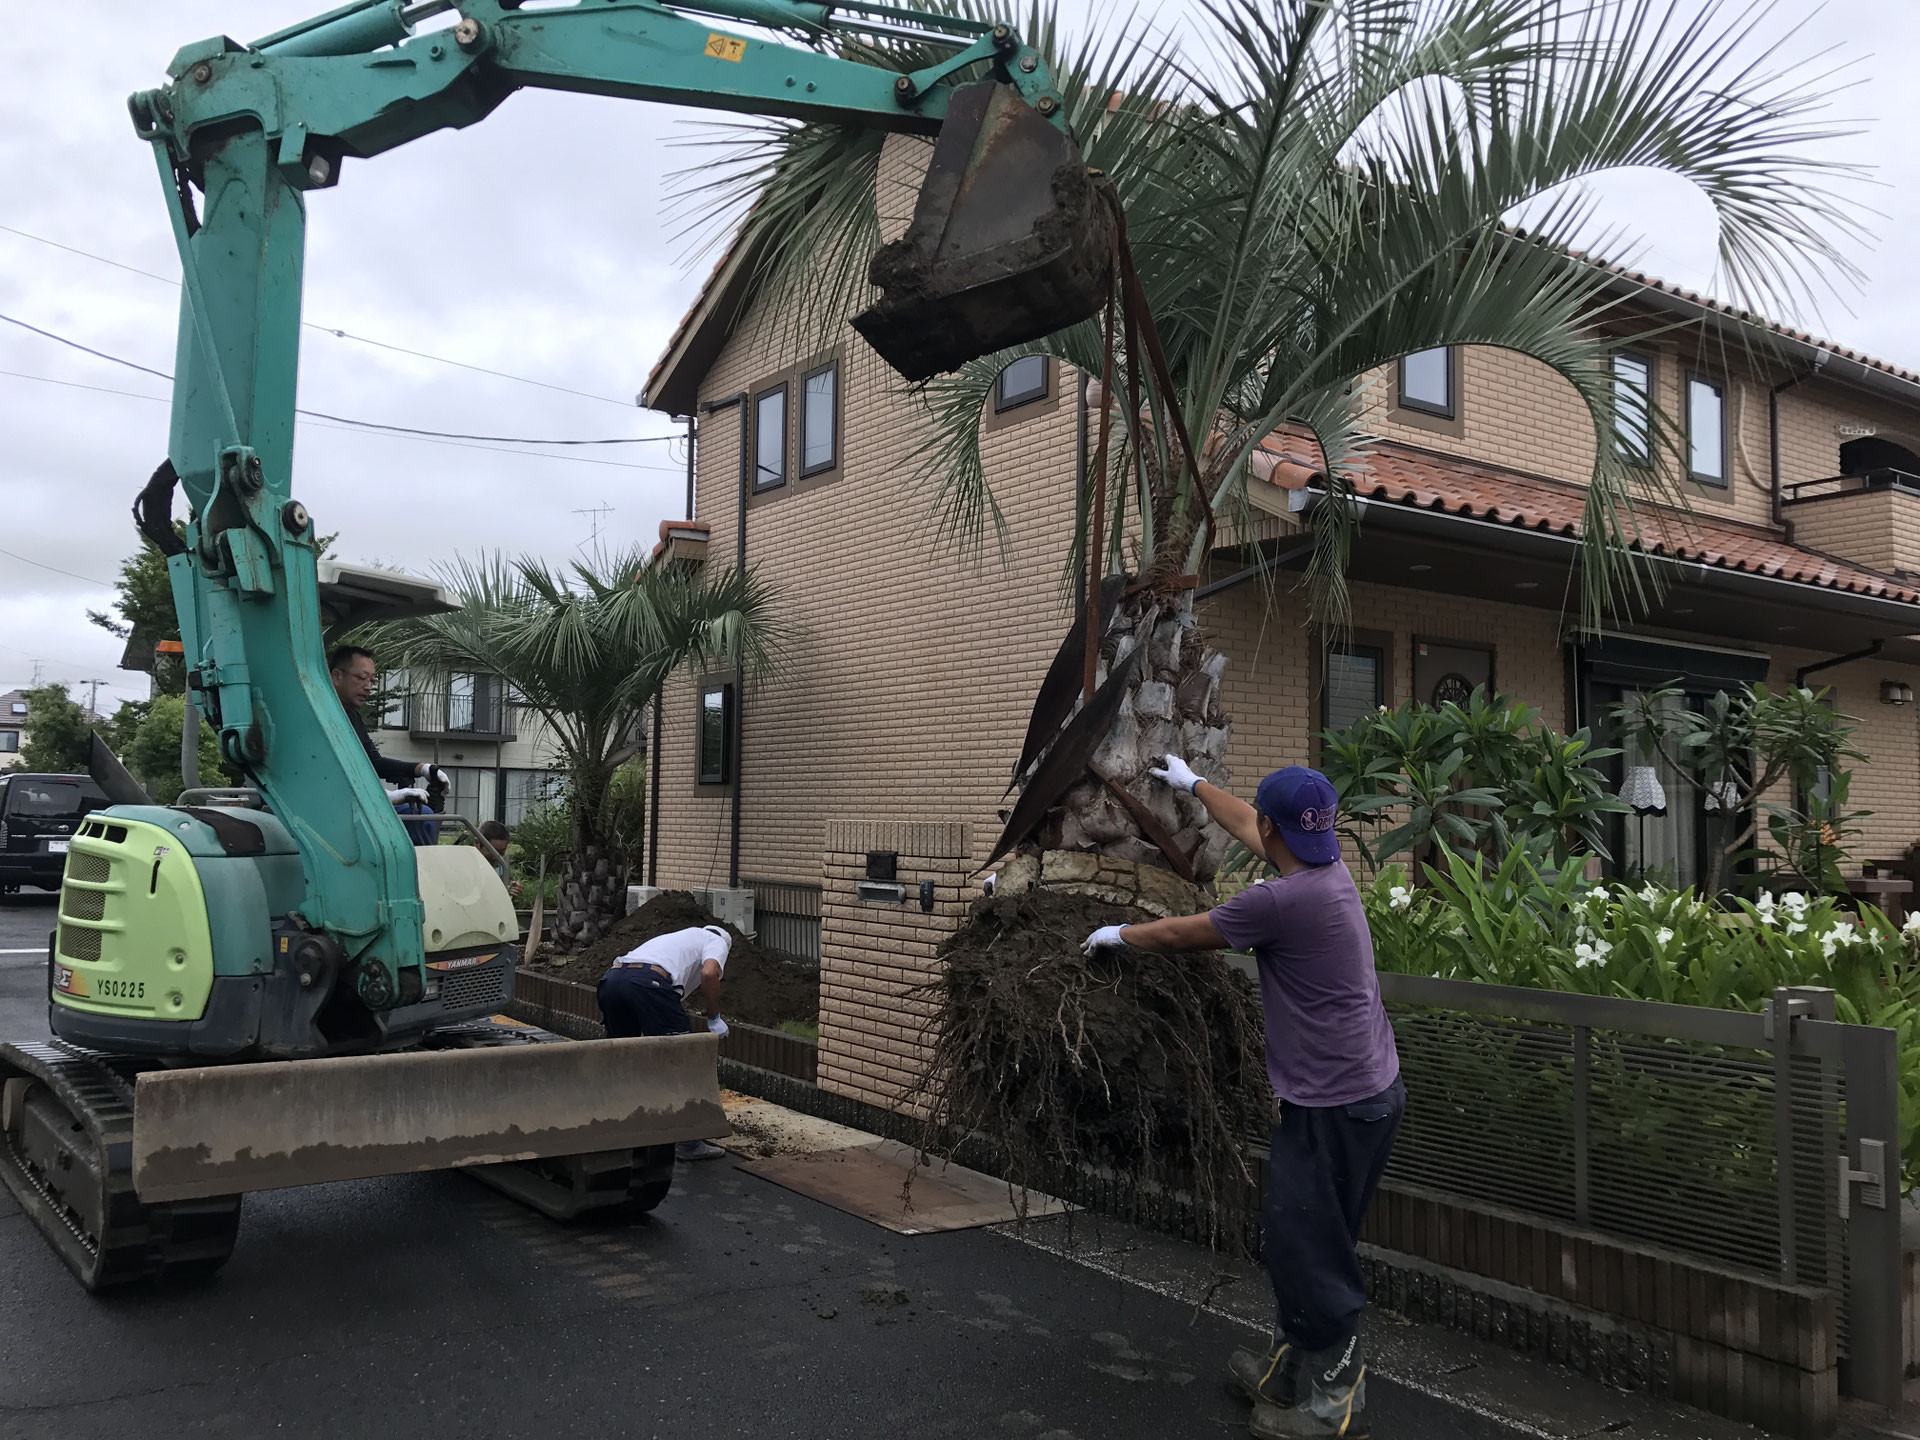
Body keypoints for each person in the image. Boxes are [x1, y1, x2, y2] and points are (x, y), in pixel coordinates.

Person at [1084, 756, 1403, 1440]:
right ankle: (1292, 1367)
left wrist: (1117, 935)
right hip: (1364, 1092)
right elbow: (1247, 824)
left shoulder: (1281, 902)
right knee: (1309, 1236)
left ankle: (1336, 1399)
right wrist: (1191, 782)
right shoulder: (1324, 870)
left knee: (1305, 1243)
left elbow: (1183, 934)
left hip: (1336, 1103)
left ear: (1274, 826)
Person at [598, 924, 734, 1162]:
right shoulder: (717, 941)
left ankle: (619, 1130)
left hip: (612, 980)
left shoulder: (676, 937)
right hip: (649, 983)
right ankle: (690, 1143)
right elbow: (709, 974)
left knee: (623, 1060)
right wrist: (714, 1018)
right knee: (686, 1060)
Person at [327, 645, 449, 793]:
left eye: (372, 681)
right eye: (361, 678)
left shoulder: (353, 718)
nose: (368, 687)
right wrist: (387, 795)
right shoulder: (317, 713)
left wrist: (422, 768)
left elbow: (373, 762)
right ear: (337, 676)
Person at [478, 820, 521, 898]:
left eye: (501, 853)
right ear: (477, 843)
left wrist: (511, 889)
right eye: (492, 852)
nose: (496, 857)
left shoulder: (500, 867)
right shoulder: (465, 866)